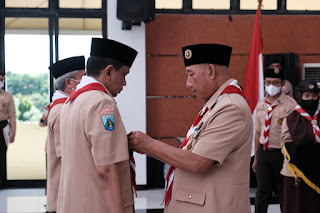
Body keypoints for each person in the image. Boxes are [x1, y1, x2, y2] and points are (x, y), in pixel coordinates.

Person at [129, 44, 253, 213]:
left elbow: (197, 162)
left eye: (191, 74)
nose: (187, 83)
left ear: (211, 71)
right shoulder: (216, 104)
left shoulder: (231, 107)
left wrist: (148, 145)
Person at [57, 38, 138, 213]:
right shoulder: (102, 103)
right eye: (124, 75)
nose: (124, 83)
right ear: (108, 72)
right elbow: (106, 170)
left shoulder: (72, 101)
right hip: (97, 205)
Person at [252, 67, 296, 213]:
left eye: (275, 82)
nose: (271, 86)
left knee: (283, 192)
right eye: (268, 82)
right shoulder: (261, 105)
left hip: (282, 154)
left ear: (282, 83)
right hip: (264, 153)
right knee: (262, 192)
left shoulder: (290, 105)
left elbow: (294, 134)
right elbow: (258, 132)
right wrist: (256, 158)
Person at [45, 56, 86, 213]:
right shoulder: (62, 110)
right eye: (83, 77)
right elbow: (68, 155)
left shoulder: (63, 107)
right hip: (64, 195)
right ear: (69, 83)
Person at [281, 79, 320, 213]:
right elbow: (285, 143)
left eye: (314, 96)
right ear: (300, 96)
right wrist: (300, 157)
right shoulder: (291, 118)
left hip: (318, 171)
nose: (311, 99)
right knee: (297, 207)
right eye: (307, 96)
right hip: (296, 173)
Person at [0, 70, 16, 189]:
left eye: (2, 80)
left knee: (1, 154)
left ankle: (1, 182)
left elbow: (12, 115)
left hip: (3, 126)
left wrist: (13, 132)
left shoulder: (7, 96)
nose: (1, 82)